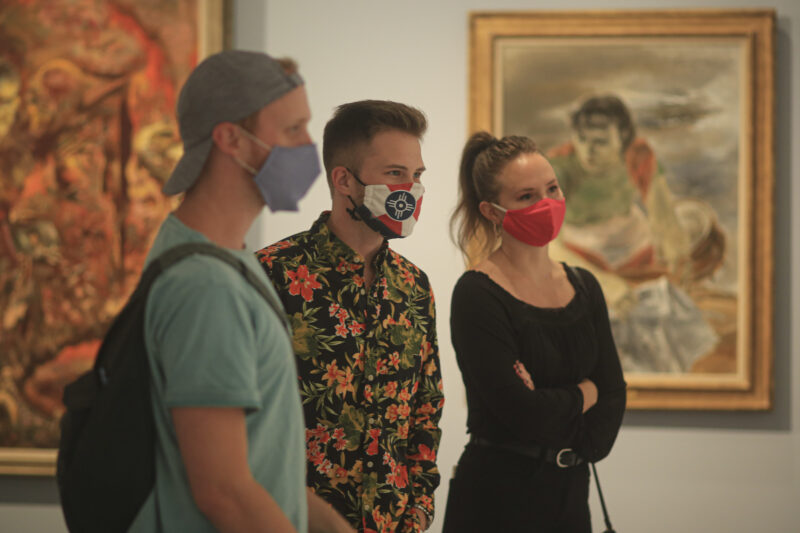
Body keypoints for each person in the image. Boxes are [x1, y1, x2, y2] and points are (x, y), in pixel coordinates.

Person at [128, 50, 354, 533]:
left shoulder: (229, 262)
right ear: (231, 138)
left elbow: (261, 466)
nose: (308, 145)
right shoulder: (206, 288)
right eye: (293, 130)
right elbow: (225, 493)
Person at [257, 100, 444, 533]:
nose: (411, 189)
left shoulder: (413, 286)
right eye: (395, 173)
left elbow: (425, 409)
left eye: (417, 176)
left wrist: (417, 513)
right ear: (344, 180)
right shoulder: (271, 275)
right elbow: (247, 422)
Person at [442, 132, 626, 532]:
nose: (546, 203)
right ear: (492, 212)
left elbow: (612, 395)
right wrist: (585, 392)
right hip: (496, 503)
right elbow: (524, 416)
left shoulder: (584, 285)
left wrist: (567, 403)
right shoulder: (477, 294)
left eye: (552, 188)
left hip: (571, 497)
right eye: (526, 196)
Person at [548, 95, 722, 373]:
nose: (588, 151)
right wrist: (606, 284)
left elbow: (663, 215)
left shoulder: (639, 155)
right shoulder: (557, 167)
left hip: (635, 248)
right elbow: (550, 249)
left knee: (658, 317)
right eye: (581, 139)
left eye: (600, 142)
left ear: (624, 140)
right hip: (579, 254)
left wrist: (678, 254)